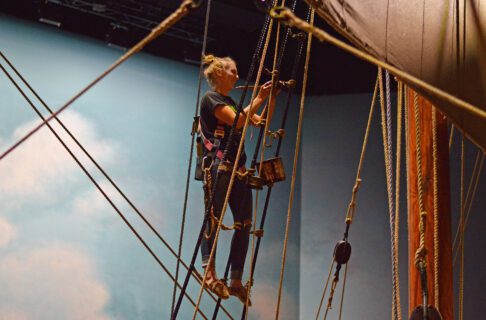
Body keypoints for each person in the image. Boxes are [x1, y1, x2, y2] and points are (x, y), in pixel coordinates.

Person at [198, 54, 278, 306]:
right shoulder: (211, 99)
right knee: (213, 217)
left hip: (238, 170)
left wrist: (270, 98)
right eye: (233, 71)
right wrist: (259, 98)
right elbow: (240, 120)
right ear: (220, 73)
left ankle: (235, 281)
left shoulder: (231, 101)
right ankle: (209, 274)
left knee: (244, 223)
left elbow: (258, 121)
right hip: (220, 166)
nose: (236, 75)